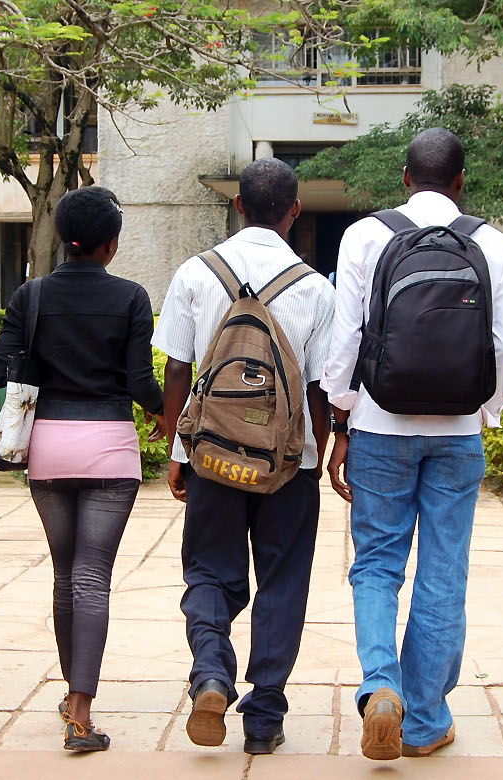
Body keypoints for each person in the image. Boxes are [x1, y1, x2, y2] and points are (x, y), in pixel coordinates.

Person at [321, 127, 503, 760]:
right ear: (463, 182)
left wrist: (343, 417)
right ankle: (426, 719)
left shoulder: (365, 235)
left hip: (381, 425)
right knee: (442, 571)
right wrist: (484, 409)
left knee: (376, 564)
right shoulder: (493, 242)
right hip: (457, 434)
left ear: (404, 178)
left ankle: (381, 685)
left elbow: (345, 337)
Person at [153, 158, 335, 756]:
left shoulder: (195, 274)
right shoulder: (314, 287)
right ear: (295, 211)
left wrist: (179, 450)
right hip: (289, 464)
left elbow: (178, 369)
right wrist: (319, 452)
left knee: (209, 570)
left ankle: (210, 672)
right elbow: (320, 389)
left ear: (237, 206)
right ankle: (264, 716)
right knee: (282, 580)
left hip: (212, 458)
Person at [0, 186, 167, 752]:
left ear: (66, 240)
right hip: (109, 447)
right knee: (92, 577)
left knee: (66, 576)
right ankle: (81, 715)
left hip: (48, 449)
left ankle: (71, 698)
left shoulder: (31, 295)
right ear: (110, 244)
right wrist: (167, 413)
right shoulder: (132, 298)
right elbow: (140, 383)